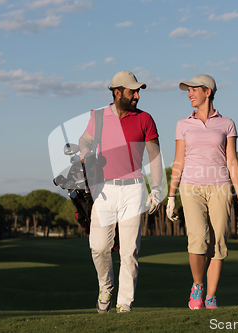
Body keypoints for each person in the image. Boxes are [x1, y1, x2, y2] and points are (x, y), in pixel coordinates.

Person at [78, 70, 162, 313]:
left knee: (129, 250)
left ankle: (124, 303)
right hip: (104, 190)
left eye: (138, 91)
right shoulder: (98, 117)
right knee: (99, 247)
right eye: (132, 91)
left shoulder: (145, 119)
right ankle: (105, 287)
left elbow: (154, 157)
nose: (137, 95)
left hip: (134, 189)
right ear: (117, 93)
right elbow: (85, 139)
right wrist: (85, 151)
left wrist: (156, 188)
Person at [166, 74, 238, 310]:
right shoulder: (183, 124)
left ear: (207, 92)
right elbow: (178, 160)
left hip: (220, 186)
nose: (189, 94)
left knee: (218, 243)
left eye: (193, 90)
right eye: (188, 91)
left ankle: (211, 296)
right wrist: (171, 196)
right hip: (190, 187)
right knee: (198, 239)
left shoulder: (227, 123)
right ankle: (198, 285)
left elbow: (232, 160)